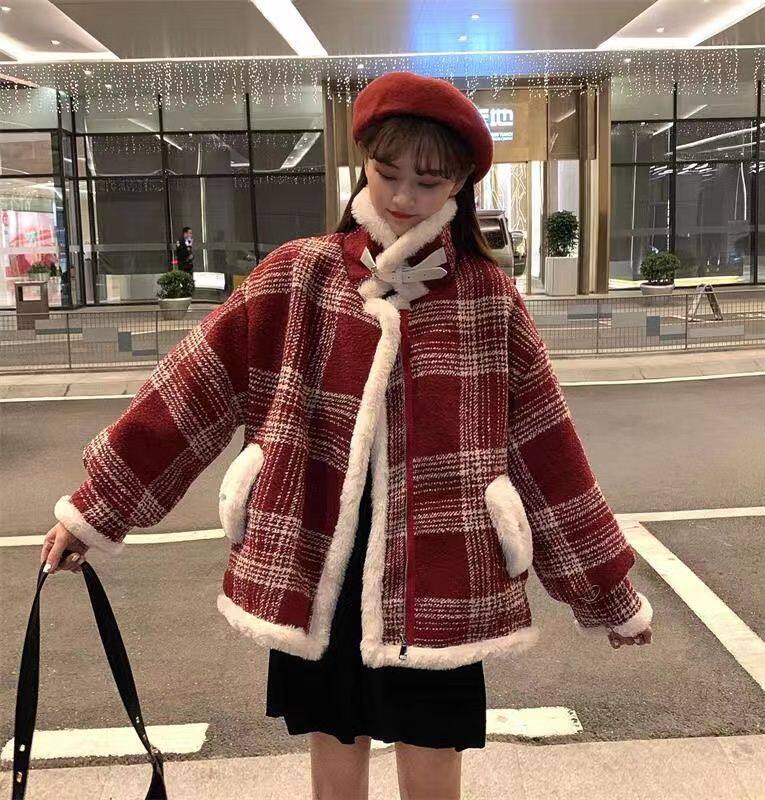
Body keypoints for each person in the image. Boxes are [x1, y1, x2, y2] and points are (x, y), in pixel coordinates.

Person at [41, 72, 653, 800]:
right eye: (387, 173)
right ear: (363, 164)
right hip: (315, 555)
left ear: (461, 183)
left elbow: (547, 451)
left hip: (441, 564)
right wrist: (97, 507)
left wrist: (607, 593)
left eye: (428, 181)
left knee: (433, 754)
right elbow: (190, 391)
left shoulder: (487, 298)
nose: (403, 197)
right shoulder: (299, 277)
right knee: (334, 751)